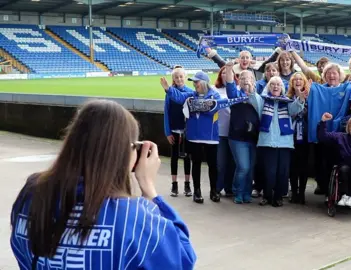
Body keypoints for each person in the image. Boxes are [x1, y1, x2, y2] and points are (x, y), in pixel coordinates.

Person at [10, 99, 196, 269]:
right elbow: (183, 259)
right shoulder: (135, 216)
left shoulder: (32, 193)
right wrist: (149, 189)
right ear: (124, 152)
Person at [161, 71, 222, 204]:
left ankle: (213, 191)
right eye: (193, 82)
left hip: (211, 136)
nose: (194, 84)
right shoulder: (191, 95)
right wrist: (168, 89)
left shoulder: (215, 95)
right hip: (194, 136)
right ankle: (197, 192)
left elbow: (214, 108)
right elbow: (179, 97)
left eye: (196, 82)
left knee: (213, 165)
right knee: (196, 164)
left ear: (204, 83)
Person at [250, 76, 306, 207]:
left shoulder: (287, 102)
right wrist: (252, 89)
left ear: (282, 88)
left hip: (284, 143)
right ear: (268, 87)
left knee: (282, 171)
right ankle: (267, 195)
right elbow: (254, 99)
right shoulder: (263, 101)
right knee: (269, 171)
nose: (275, 86)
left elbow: (296, 108)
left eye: (278, 84)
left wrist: (301, 97)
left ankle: (278, 196)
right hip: (267, 142)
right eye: (273, 84)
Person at [307, 63, 351, 198]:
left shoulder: (347, 87)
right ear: (324, 76)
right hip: (322, 133)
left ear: (340, 75)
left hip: (340, 133)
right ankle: (325, 188)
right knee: (322, 161)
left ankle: (338, 190)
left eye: (334, 73)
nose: (332, 75)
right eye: (328, 73)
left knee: (337, 160)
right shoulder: (317, 89)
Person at [225, 63, 261, 204]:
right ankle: (238, 191)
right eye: (243, 78)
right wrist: (229, 69)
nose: (246, 80)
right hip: (237, 137)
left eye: (250, 78)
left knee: (250, 168)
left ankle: (246, 192)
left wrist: (252, 92)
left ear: (254, 81)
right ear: (239, 81)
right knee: (243, 167)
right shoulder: (235, 94)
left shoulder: (257, 96)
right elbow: (229, 85)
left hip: (253, 137)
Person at [164, 67, 193, 197]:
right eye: (176, 77)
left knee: (187, 157)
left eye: (181, 76)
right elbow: (167, 112)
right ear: (173, 79)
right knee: (174, 157)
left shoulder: (191, 92)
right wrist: (167, 132)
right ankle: (174, 184)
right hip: (174, 130)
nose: (179, 79)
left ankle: (187, 184)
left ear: (185, 78)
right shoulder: (169, 94)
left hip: (187, 131)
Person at [286, 72, 310, 204]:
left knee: (303, 167)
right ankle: (294, 192)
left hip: (305, 137)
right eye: (295, 79)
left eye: (301, 79)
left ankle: (302, 193)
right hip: (291, 136)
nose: (298, 81)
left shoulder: (310, 98)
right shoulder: (287, 97)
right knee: (293, 166)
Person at [214, 66, 237, 197]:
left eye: (228, 72)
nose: (225, 75)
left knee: (232, 163)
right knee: (220, 163)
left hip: (234, 132)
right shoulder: (214, 89)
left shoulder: (237, 90)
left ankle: (229, 188)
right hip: (220, 132)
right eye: (223, 72)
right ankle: (217, 188)